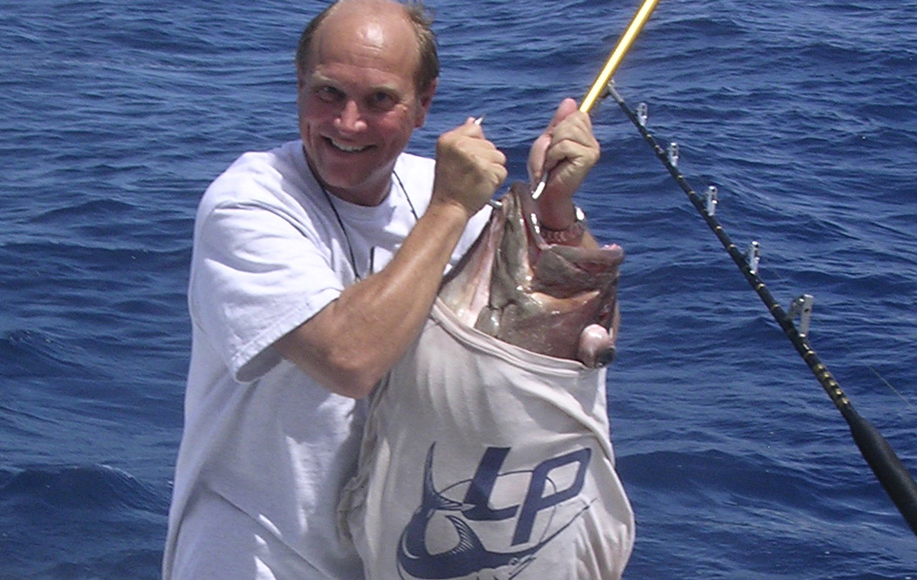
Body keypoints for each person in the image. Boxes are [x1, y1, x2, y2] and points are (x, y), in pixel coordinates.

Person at [162, 0, 601, 577]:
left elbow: (576, 333)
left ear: (424, 104)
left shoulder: (446, 193)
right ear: (298, 86)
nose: (348, 123)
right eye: (327, 93)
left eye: (379, 100)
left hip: (394, 549)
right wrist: (448, 207)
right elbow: (349, 359)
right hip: (258, 550)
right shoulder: (248, 203)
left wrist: (555, 212)